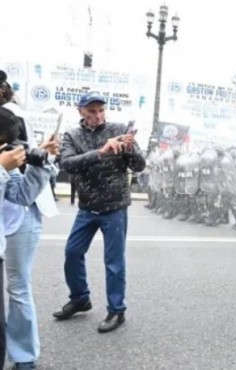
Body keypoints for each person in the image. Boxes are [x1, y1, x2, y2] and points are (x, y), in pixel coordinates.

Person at [53, 91, 145, 333]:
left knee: (114, 261)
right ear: (81, 112)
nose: (98, 115)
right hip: (87, 207)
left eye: (101, 110)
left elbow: (140, 166)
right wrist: (101, 152)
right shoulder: (72, 135)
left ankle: (117, 310)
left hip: (114, 206)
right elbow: (67, 163)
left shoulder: (119, 128)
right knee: (72, 252)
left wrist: (129, 148)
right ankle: (80, 298)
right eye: (92, 111)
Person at [2, 72, 60, 370]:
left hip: (15, 217)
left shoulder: (13, 117)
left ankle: (24, 356)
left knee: (18, 286)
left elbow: (19, 188)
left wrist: (42, 161)